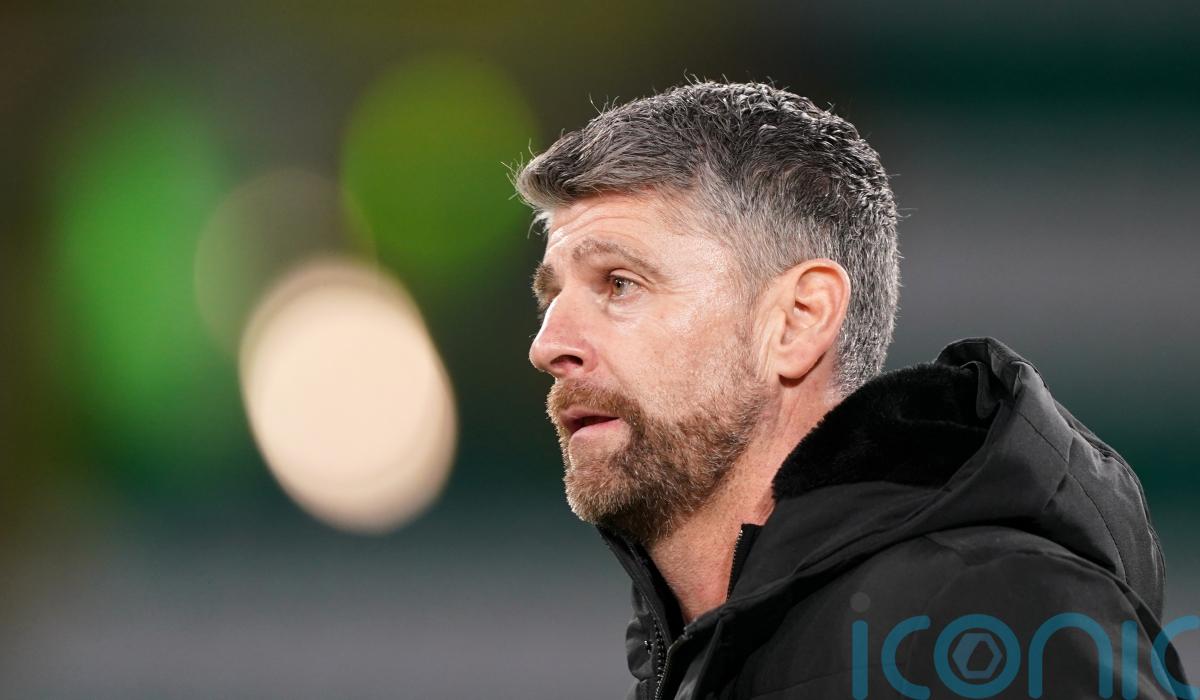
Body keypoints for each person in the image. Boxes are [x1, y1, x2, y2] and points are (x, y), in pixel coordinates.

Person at [517, 81, 1191, 699]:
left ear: (798, 320)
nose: (547, 345)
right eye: (551, 296)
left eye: (619, 284)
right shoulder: (697, 662)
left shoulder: (987, 615)